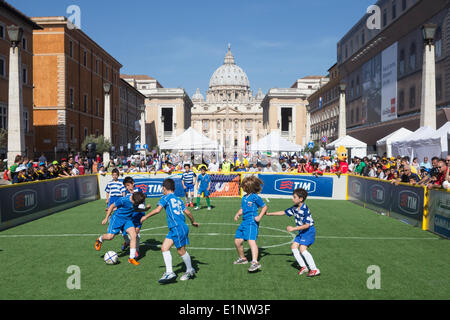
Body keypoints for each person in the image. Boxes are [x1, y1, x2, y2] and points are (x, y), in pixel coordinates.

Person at [140, 178, 199, 283]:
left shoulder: (165, 197)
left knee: (181, 251)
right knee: (164, 248)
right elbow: (188, 212)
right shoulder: (179, 199)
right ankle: (169, 272)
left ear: (164, 188)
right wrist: (193, 222)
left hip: (177, 227)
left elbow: (158, 210)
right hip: (178, 227)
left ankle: (190, 270)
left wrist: (146, 217)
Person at [265, 188, 320, 277]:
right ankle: (304, 267)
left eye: (294, 197)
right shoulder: (295, 208)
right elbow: (284, 212)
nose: (292, 199)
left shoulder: (305, 209)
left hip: (308, 231)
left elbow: (307, 225)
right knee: (294, 247)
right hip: (302, 231)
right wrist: (269, 214)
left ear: (301, 199)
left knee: (302, 249)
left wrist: (293, 228)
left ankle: (314, 269)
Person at [95, 191, 147, 266]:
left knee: (133, 235)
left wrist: (145, 210)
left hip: (127, 220)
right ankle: (100, 239)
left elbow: (135, 209)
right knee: (110, 237)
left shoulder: (135, 201)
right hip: (117, 219)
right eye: (136, 203)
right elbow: (112, 206)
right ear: (134, 200)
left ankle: (131, 258)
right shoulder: (123, 200)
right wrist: (106, 218)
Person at [233, 175, 267, 273]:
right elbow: (242, 208)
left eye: (243, 185)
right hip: (244, 222)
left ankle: (255, 262)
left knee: (251, 241)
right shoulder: (244, 197)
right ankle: (243, 258)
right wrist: (237, 214)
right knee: (237, 241)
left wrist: (259, 217)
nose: (242, 187)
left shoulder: (255, 197)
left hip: (252, 222)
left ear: (248, 187)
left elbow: (264, 207)